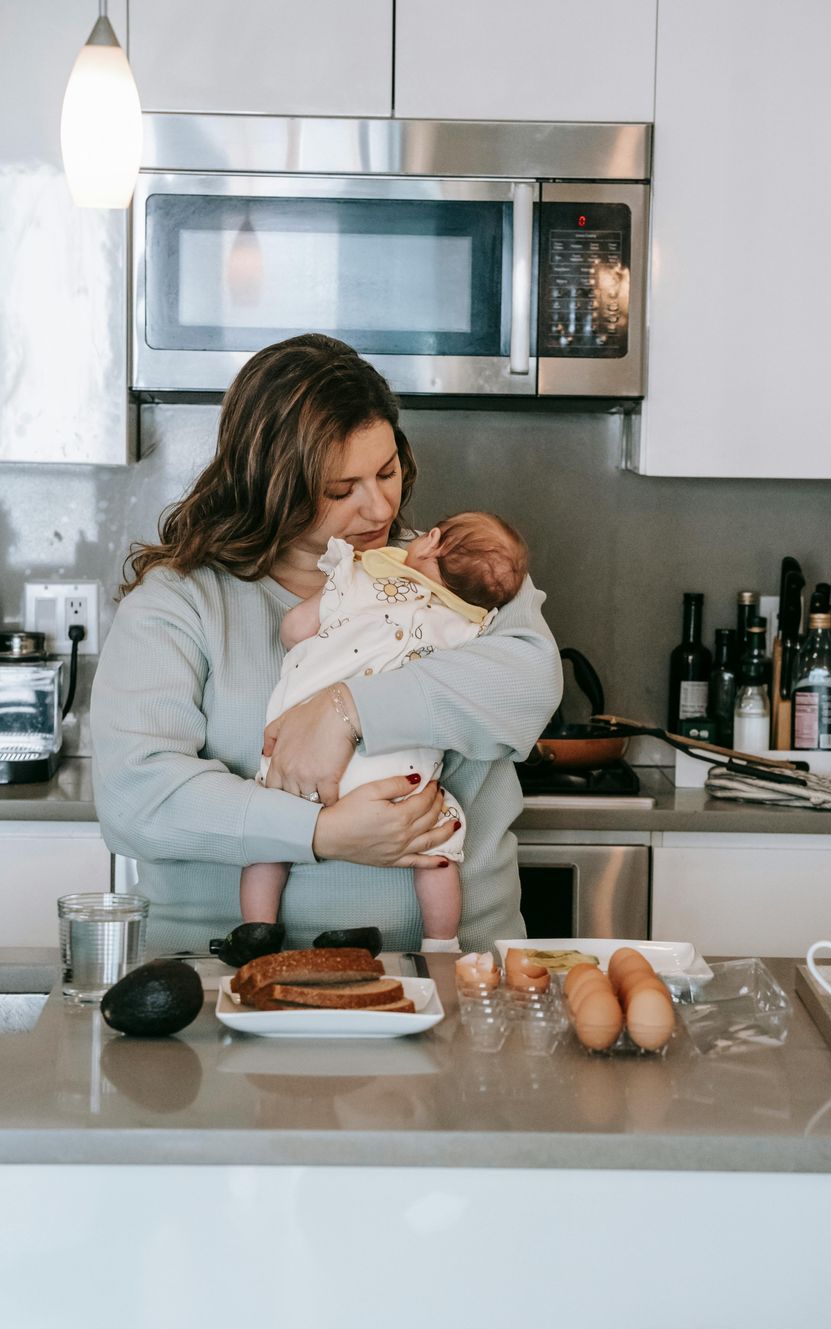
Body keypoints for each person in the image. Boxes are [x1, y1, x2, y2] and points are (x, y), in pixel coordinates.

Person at [91, 334, 562, 956]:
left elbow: (529, 680)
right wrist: (321, 833)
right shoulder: (180, 603)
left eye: (388, 471)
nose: (379, 506)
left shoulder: (456, 577)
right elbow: (136, 796)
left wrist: (346, 709)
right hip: (217, 983)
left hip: (454, 980)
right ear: (271, 486)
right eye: (341, 490)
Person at [243, 510, 530, 952]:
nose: (377, 505)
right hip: (400, 779)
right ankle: (441, 944)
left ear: (431, 540)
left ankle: (257, 932)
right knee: (437, 852)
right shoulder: (468, 626)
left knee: (268, 846)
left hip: (296, 765)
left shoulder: (360, 579)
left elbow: (295, 628)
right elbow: (498, 680)